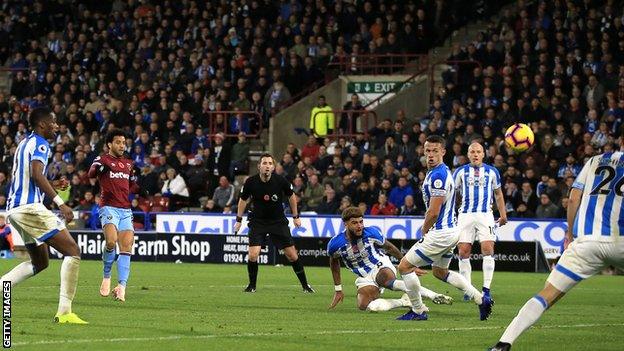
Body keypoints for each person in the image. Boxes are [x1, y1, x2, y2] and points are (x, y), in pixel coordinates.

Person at [488, 129, 624, 350]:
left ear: (620, 140)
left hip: (587, 242)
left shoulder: (594, 161)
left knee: (547, 294)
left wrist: (570, 235)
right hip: (621, 240)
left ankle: (503, 343)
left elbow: (573, 199)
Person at [0, 107, 87, 324]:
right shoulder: (40, 143)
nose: (57, 126)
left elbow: (29, 178)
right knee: (73, 250)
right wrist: (61, 204)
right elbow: (37, 176)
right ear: (42, 125)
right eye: (53, 122)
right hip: (29, 208)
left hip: (15, 210)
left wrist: (54, 184)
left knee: (40, 262)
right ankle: (65, 312)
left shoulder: (23, 143)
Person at [395, 135, 493, 321]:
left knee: (405, 267)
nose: (430, 155)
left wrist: (425, 229)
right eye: (427, 151)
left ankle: (417, 310)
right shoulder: (442, 171)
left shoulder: (438, 176)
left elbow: (433, 211)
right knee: (440, 272)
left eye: (435, 151)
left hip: (440, 233)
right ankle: (481, 299)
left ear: (443, 152)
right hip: (451, 231)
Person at [328, 207, 453, 312]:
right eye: (355, 223)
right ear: (345, 224)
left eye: (361, 222)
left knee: (386, 281)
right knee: (366, 306)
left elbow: (389, 247)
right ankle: (403, 302)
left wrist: (406, 264)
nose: (360, 226)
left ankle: (434, 295)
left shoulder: (371, 233)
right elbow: (334, 262)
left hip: (380, 265)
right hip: (364, 277)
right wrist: (338, 289)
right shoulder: (335, 244)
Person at [233, 153, 314, 293]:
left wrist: (296, 216)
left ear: (273, 167)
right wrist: (239, 220)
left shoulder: (281, 181)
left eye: (270, 163)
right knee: (253, 255)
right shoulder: (250, 182)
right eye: (264, 163)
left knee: (292, 255)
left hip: (278, 222)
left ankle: (305, 286)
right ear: (259, 166)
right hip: (258, 221)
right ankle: (252, 286)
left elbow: (291, 196)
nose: (267, 166)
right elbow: (242, 200)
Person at [88, 129, 138, 302]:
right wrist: (99, 168)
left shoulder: (129, 164)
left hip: (125, 210)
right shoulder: (102, 159)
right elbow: (91, 173)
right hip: (108, 207)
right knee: (111, 241)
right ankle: (107, 275)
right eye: (118, 142)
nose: (122, 145)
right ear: (110, 144)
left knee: (126, 247)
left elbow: (131, 184)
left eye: (124, 142)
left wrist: (141, 189)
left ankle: (121, 287)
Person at [453, 142, 507, 301]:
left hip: (485, 215)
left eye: (478, 152)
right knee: (463, 250)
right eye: (472, 152)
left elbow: (498, 194)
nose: (475, 154)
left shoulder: (492, 172)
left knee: (487, 248)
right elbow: (453, 194)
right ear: (468, 155)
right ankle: (468, 289)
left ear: (483, 154)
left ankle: (486, 289)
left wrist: (503, 214)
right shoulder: (460, 172)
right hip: (465, 215)